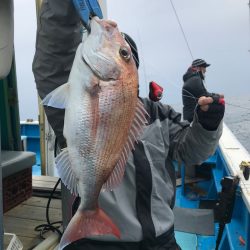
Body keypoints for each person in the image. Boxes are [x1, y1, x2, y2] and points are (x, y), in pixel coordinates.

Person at [33, 1, 225, 249]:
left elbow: (194, 152)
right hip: (97, 242)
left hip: (161, 240)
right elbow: (53, 62)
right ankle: (87, 216)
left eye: (125, 54)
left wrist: (208, 125)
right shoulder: (74, 103)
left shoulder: (161, 115)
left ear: (132, 73)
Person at [182, 58, 224, 123]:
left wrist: (215, 95)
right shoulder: (195, 79)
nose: (205, 70)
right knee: (220, 106)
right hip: (193, 117)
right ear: (198, 68)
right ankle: (212, 126)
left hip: (189, 115)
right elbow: (204, 95)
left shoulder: (192, 78)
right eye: (204, 67)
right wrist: (218, 96)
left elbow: (203, 93)